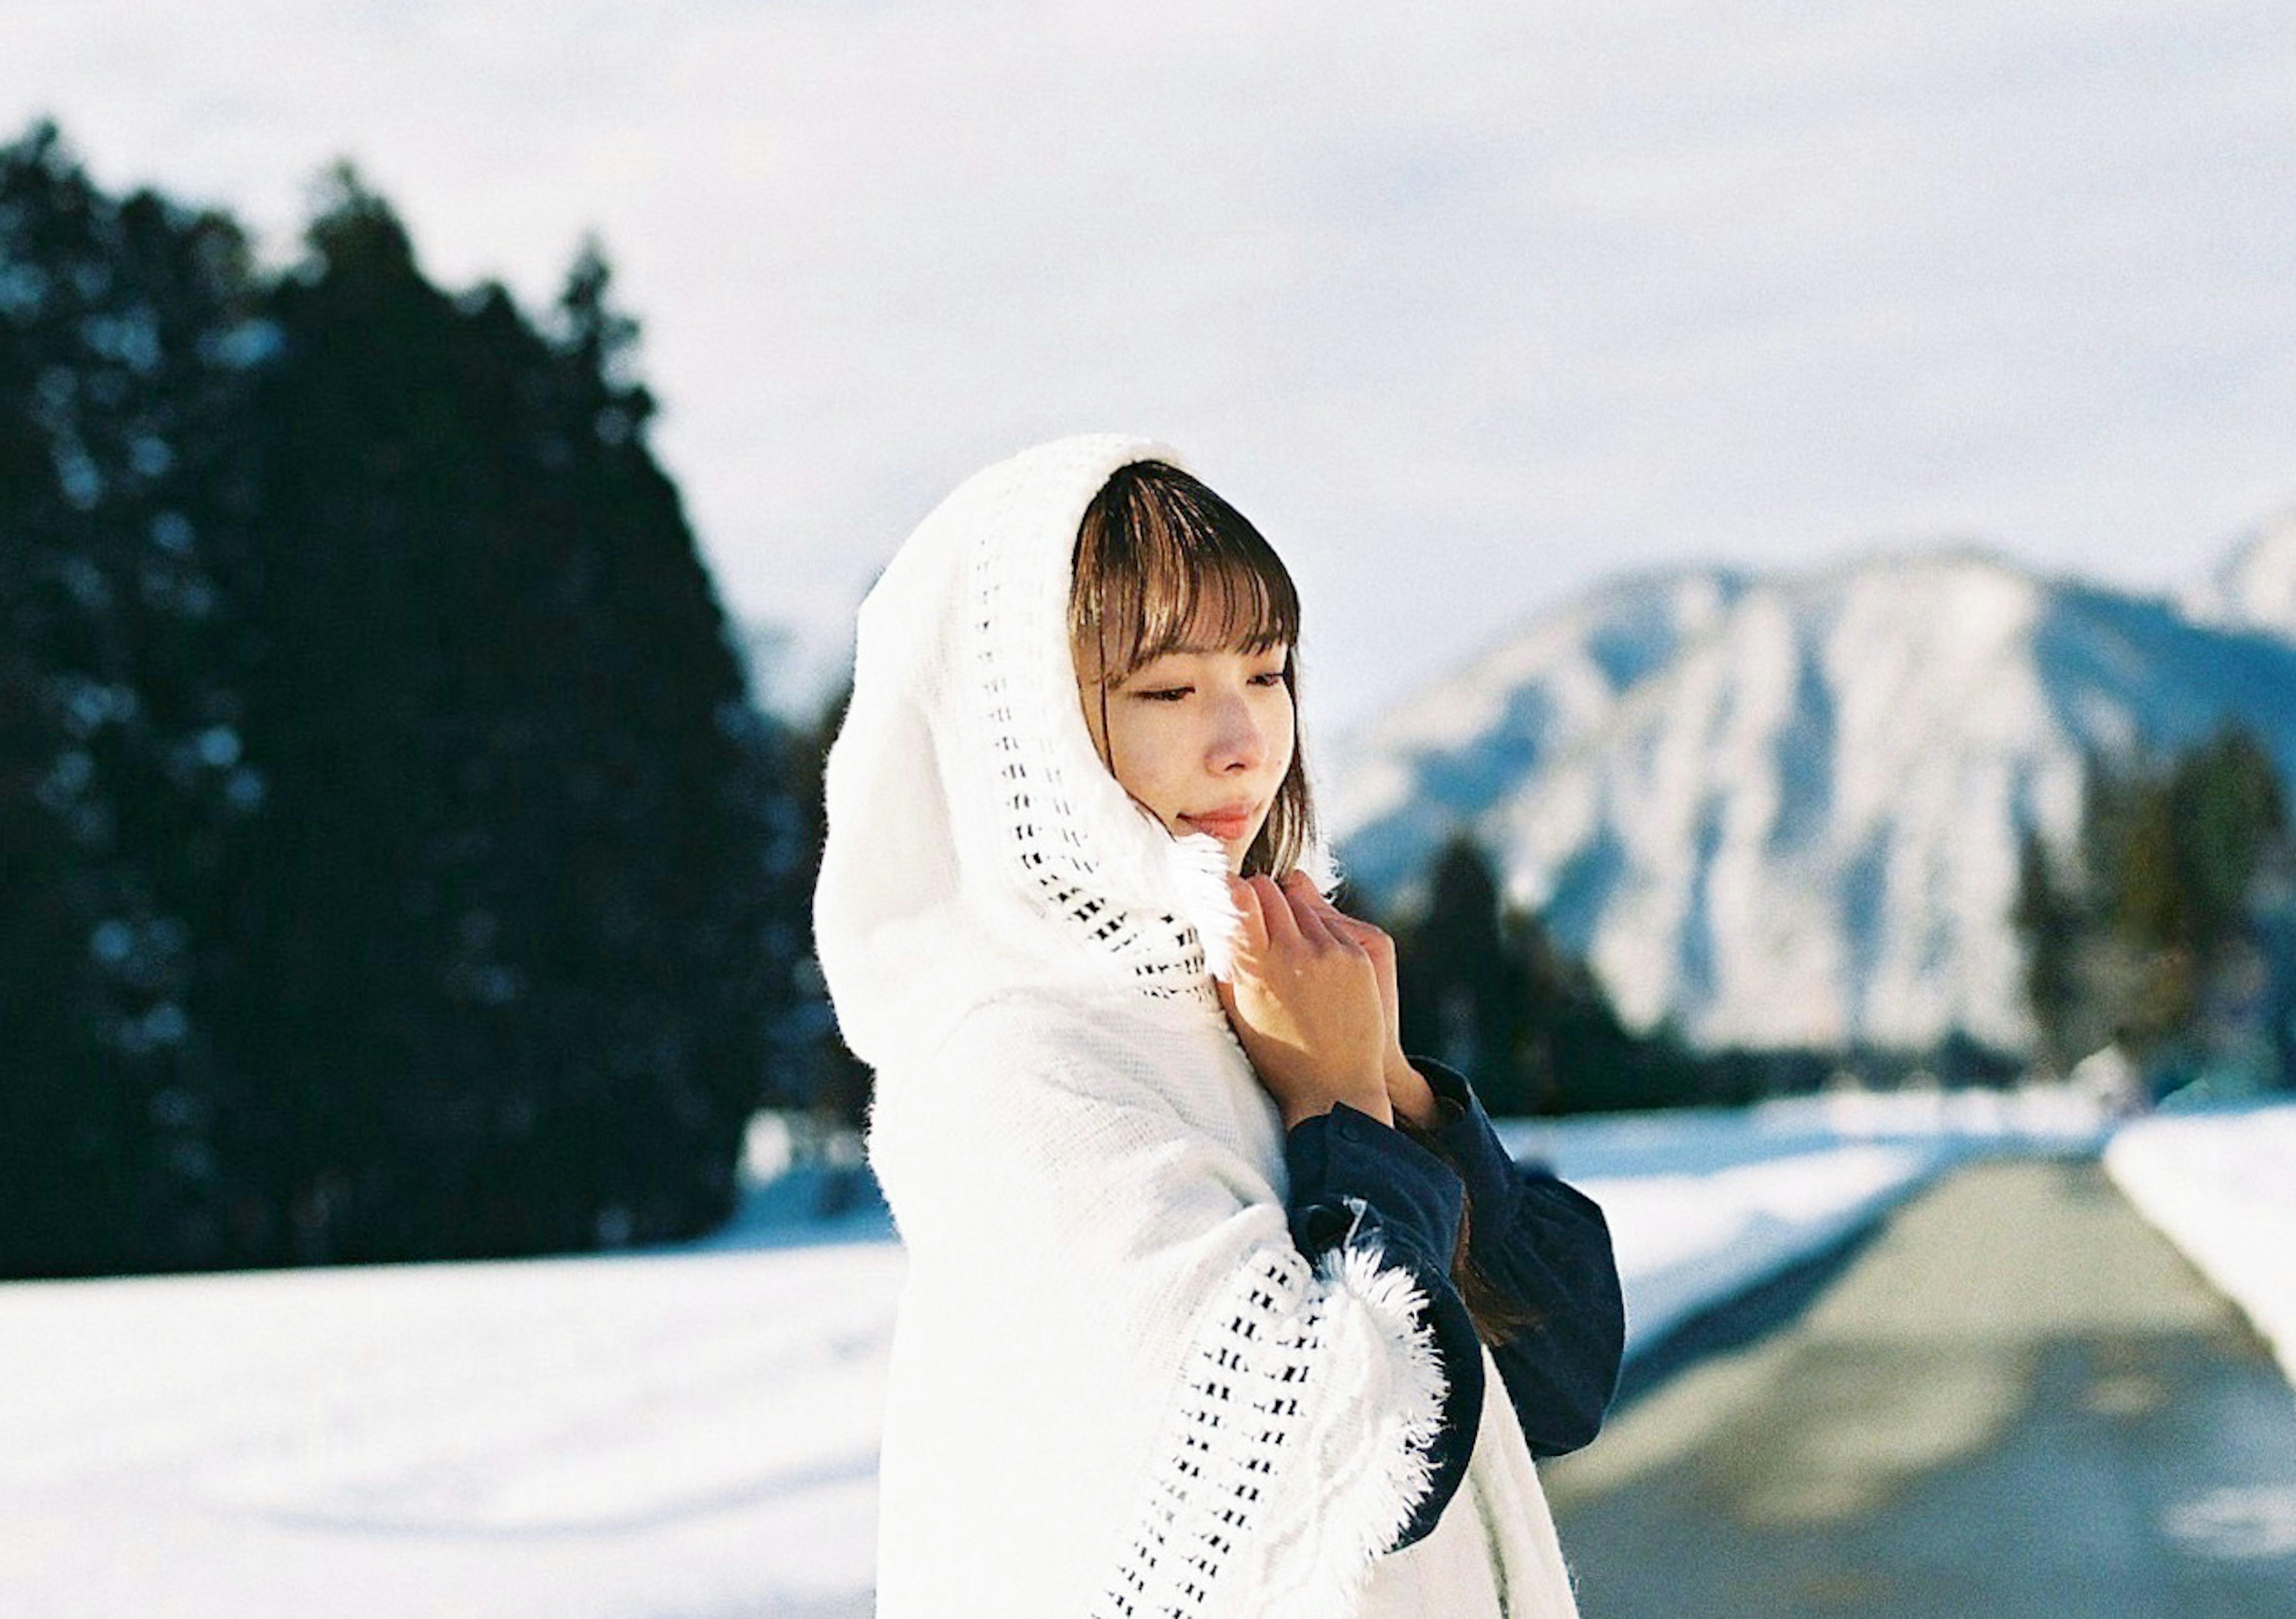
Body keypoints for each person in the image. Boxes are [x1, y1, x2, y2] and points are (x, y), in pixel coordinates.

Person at [813, 434, 1625, 1618]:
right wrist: (1341, 1113)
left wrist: (1394, 1090)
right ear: (1025, 743)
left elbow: (1562, 1376)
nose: (1245, 738)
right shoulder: (1016, 1068)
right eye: (1166, 689)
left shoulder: (1253, 1003)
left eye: (1267, 670)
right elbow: (1341, 1464)